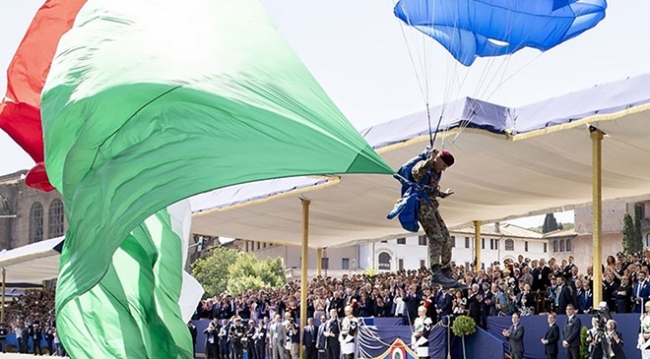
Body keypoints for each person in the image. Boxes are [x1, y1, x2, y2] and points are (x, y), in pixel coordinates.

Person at [411, 148, 461, 288]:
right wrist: (429, 161)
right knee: (436, 237)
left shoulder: (437, 172)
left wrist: (443, 194)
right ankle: (436, 272)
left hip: (431, 204)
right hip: (421, 204)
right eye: (443, 165)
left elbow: (432, 188)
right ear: (438, 159)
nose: (444, 169)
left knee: (446, 237)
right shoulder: (425, 166)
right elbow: (415, 173)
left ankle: (446, 271)